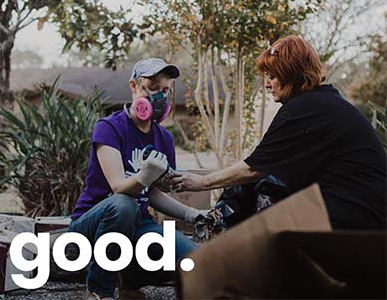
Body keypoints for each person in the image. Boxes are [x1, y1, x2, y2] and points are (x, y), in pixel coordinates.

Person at [169, 35, 386, 230]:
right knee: (262, 185)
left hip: (360, 216)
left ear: (290, 74)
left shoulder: (306, 108)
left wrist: (200, 183)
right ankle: (219, 227)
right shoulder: (322, 103)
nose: (267, 84)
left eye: (272, 76)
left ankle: (226, 243)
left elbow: (253, 169)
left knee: (261, 190)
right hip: (356, 208)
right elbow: (263, 165)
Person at [69, 58, 205, 300]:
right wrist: (145, 174)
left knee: (193, 258)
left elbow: (152, 193)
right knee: (124, 205)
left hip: (138, 225)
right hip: (92, 224)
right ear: (134, 86)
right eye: (153, 88)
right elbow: (119, 187)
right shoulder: (109, 128)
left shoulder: (164, 139)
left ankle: (130, 280)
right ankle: (98, 290)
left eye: (165, 91)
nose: (160, 97)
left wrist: (191, 214)